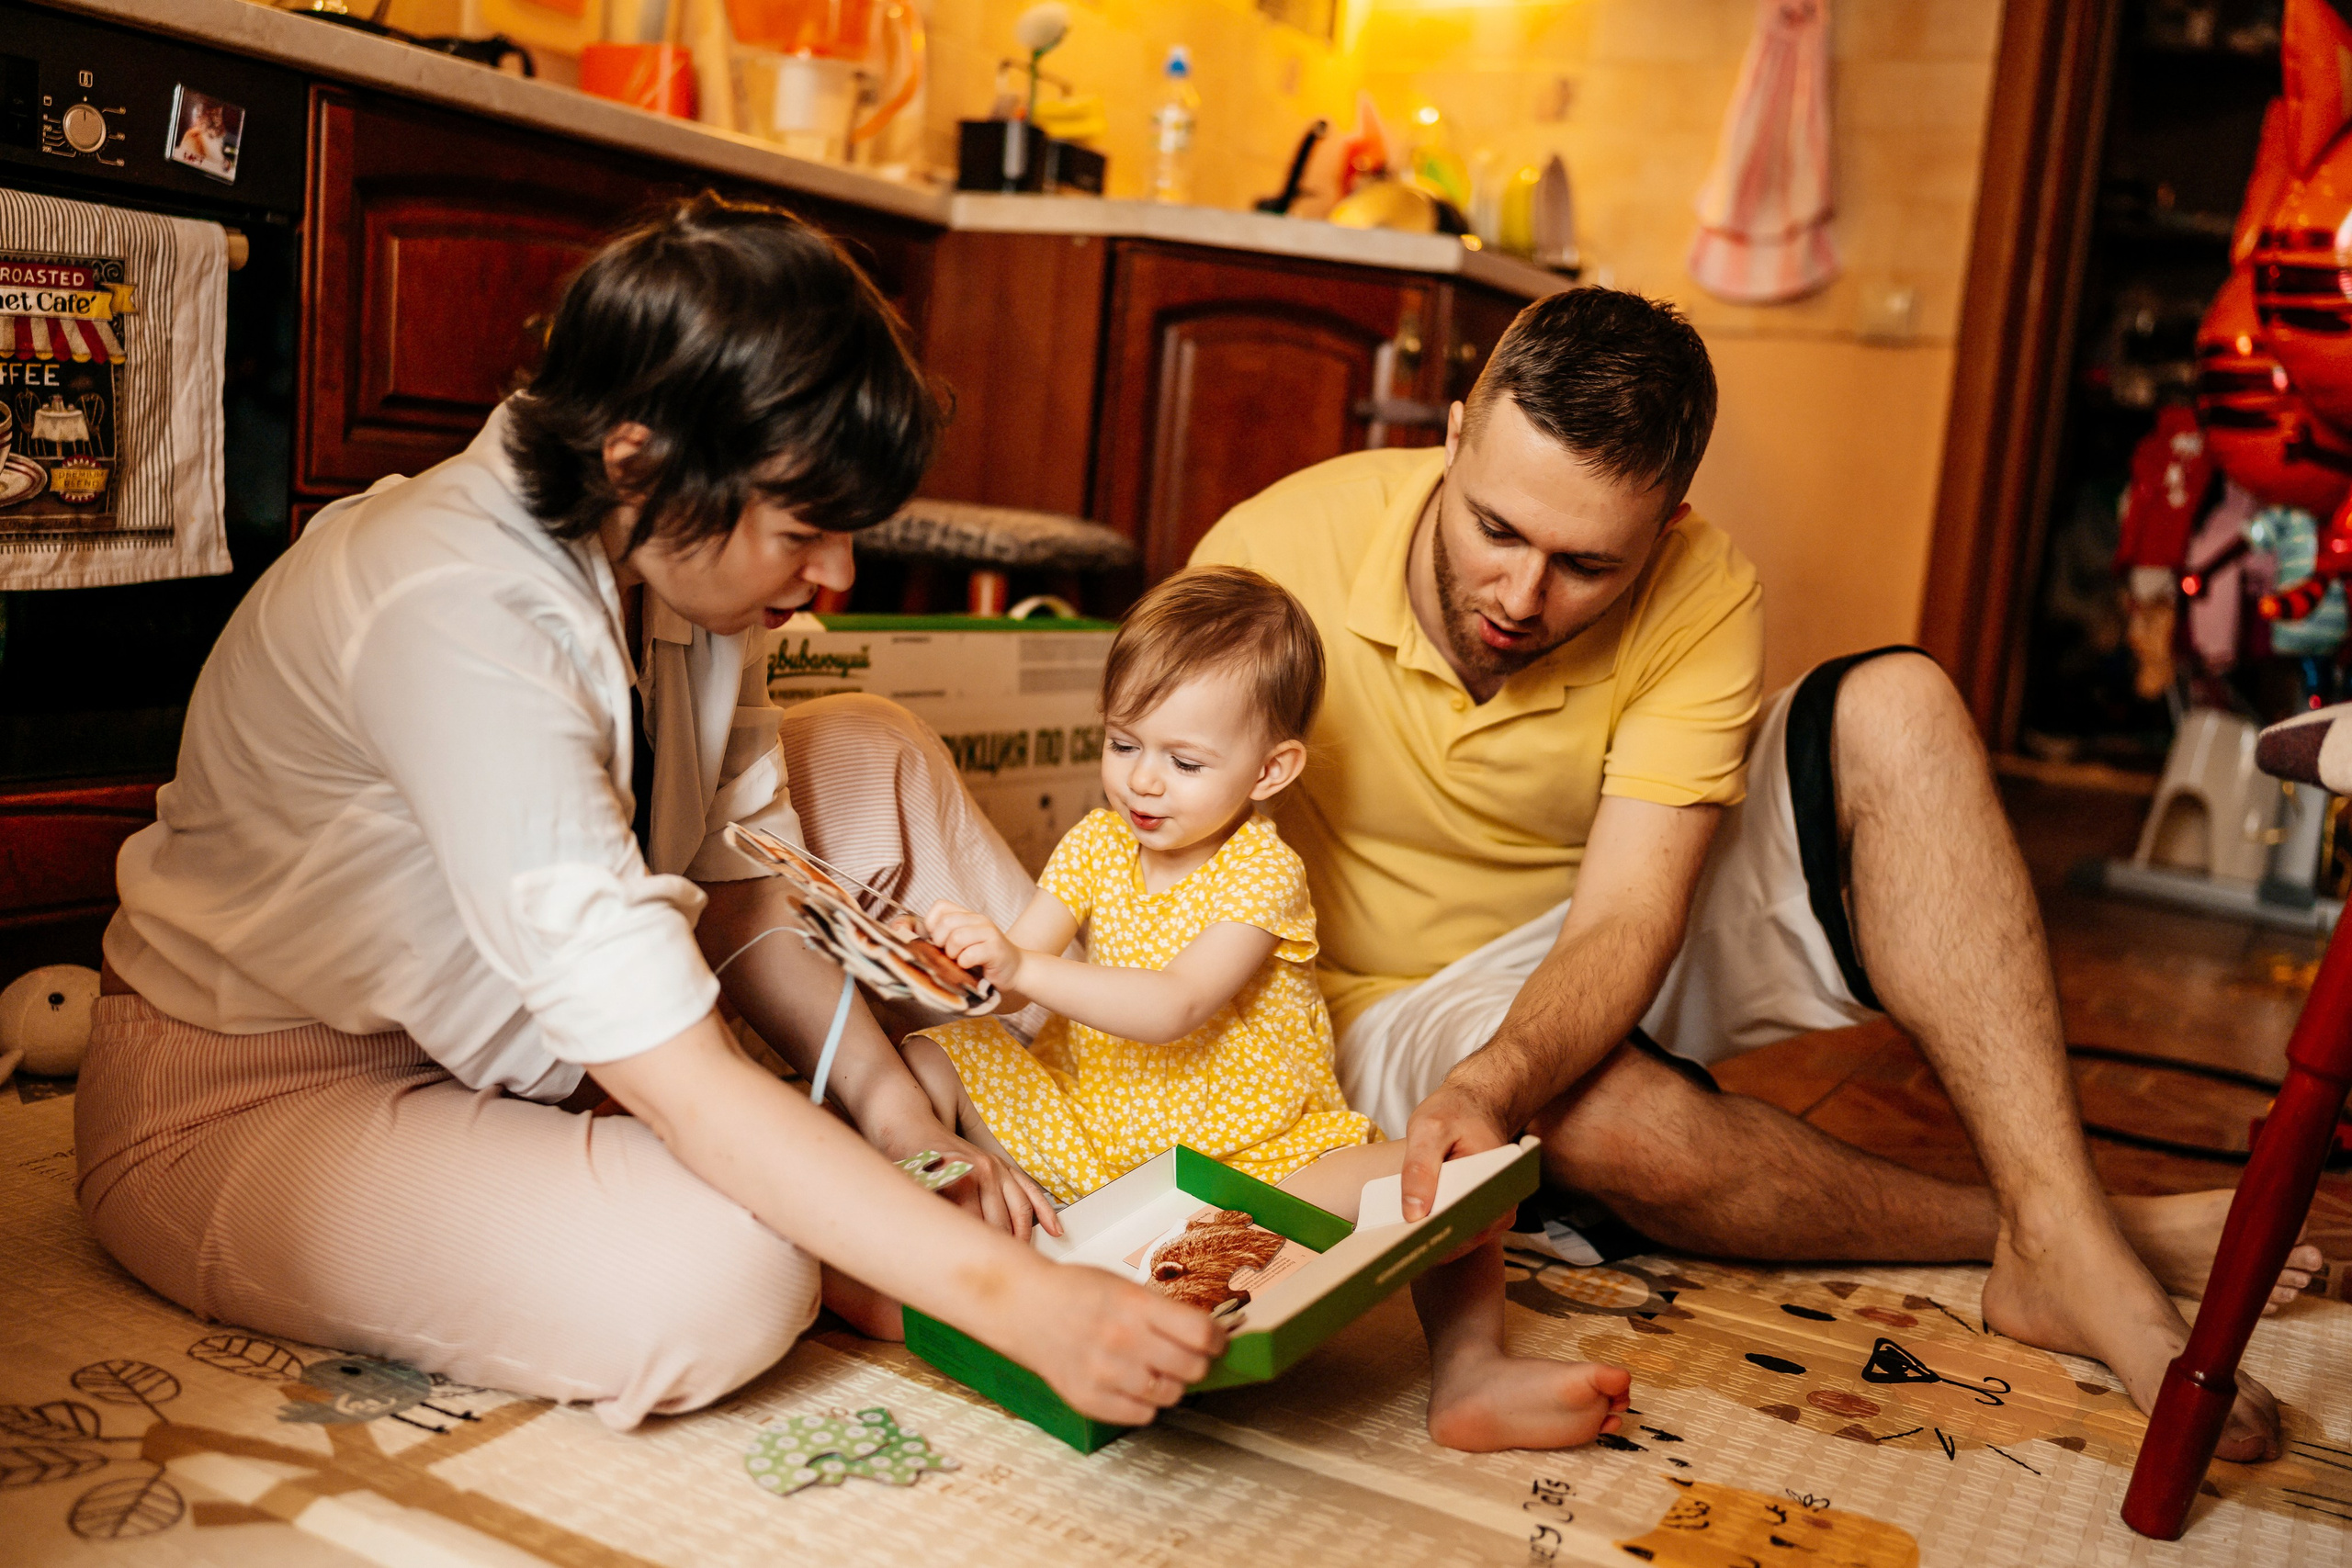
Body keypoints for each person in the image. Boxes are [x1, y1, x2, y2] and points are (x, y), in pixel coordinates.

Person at [76, 195, 1219, 1435]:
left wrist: (899, 1120)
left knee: (868, 743)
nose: (837, 576)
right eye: (805, 530)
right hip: (257, 1097)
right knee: (723, 1274)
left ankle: (1061, 1099)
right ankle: (861, 1221)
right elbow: (676, 1077)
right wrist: (1019, 1302)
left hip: (539, 1042)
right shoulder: (457, 611)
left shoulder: (663, 555)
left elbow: (739, 891)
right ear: (636, 459)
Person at [1191, 287, 2320, 1462]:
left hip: (1604, 917)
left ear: (1666, 522)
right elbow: (1158, 857)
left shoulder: (1703, 585)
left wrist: (1504, 1072)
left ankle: (2065, 1233)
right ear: (1454, 434)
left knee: (1899, 705)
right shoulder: (1270, 554)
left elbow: (1628, 913)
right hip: (1379, 995)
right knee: (1615, 1121)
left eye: (1586, 563)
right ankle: (2066, 1233)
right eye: (1496, 531)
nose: (1522, 598)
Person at [907, 566, 1634, 1450]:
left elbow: (1176, 1004)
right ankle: (948, 1246)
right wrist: (968, 962)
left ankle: (1472, 1368)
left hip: (1258, 1163)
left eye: (1184, 762)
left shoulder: (1261, 869)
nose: (1143, 782)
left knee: (1454, 1176)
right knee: (929, 1053)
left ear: (1270, 769)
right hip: (1090, 1142)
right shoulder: (1096, 842)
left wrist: (1022, 962)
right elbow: (1016, 980)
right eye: (1124, 743)